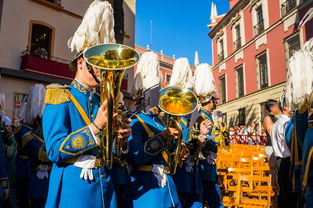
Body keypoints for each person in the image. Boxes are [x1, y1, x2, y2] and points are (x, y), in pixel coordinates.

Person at [43, 1, 131, 207]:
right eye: (98, 65)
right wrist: (96, 127)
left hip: (105, 187)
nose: (104, 70)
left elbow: (113, 154)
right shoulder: (60, 95)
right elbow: (54, 150)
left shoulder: (102, 100)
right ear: (81, 63)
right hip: (74, 188)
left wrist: (122, 141)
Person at [125, 52, 181, 208]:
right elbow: (136, 158)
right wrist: (163, 137)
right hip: (148, 189)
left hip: (168, 187)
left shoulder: (162, 122)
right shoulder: (135, 121)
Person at [169, 58, 203, 208]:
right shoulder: (171, 116)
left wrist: (198, 143)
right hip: (178, 173)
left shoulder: (190, 121)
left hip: (191, 173)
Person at [193, 63, 223, 208]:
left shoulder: (207, 115)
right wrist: (215, 143)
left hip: (209, 163)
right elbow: (201, 138)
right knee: (210, 199)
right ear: (210, 100)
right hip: (203, 161)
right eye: (214, 99)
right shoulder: (201, 116)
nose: (216, 102)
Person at [270, 99, 295, 208]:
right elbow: (289, 141)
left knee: (282, 191)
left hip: (279, 159)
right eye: (291, 106)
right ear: (285, 107)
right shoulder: (286, 123)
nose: (293, 108)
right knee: (289, 191)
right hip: (286, 159)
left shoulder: (276, 124)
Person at [263, 99, 280, 186]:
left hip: (277, 146)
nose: (279, 108)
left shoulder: (276, 118)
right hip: (271, 147)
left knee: (277, 169)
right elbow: (271, 132)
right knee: (273, 170)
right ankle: (272, 188)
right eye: (277, 106)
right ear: (271, 108)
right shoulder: (267, 118)